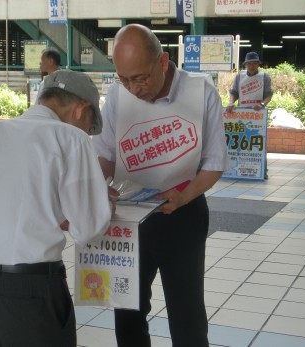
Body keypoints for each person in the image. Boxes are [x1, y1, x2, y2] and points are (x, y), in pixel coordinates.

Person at [91, 24, 229, 346]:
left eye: (140, 78)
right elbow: (105, 153)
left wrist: (185, 196)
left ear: (163, 62)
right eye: (123, 79)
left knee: (186, 312)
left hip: (182, 212)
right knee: (127, 309)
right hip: (127, 214)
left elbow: (214, 162)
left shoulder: (200, 92)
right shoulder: (117, 94)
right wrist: (99, 187)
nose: (133, 89)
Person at [0, 70, 112, 346]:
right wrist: (104, 200)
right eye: (89, 125)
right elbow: (89, 230)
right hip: (27, 288)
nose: (87, 132)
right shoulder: (70, 138)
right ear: (80, 109)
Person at [227, 51, 273, 179]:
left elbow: (268, 94)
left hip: (258, 115)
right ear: (245, 64)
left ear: (258, 64)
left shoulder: (264, 77)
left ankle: (262, 171)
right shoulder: (239, 76)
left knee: (259, 142)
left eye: (254, 63)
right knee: (241, 141)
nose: (252, 66)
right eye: (249, 64)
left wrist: (262, 105)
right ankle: (239, 169)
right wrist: (231, 103)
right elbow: (234, 92)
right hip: (242, 114)